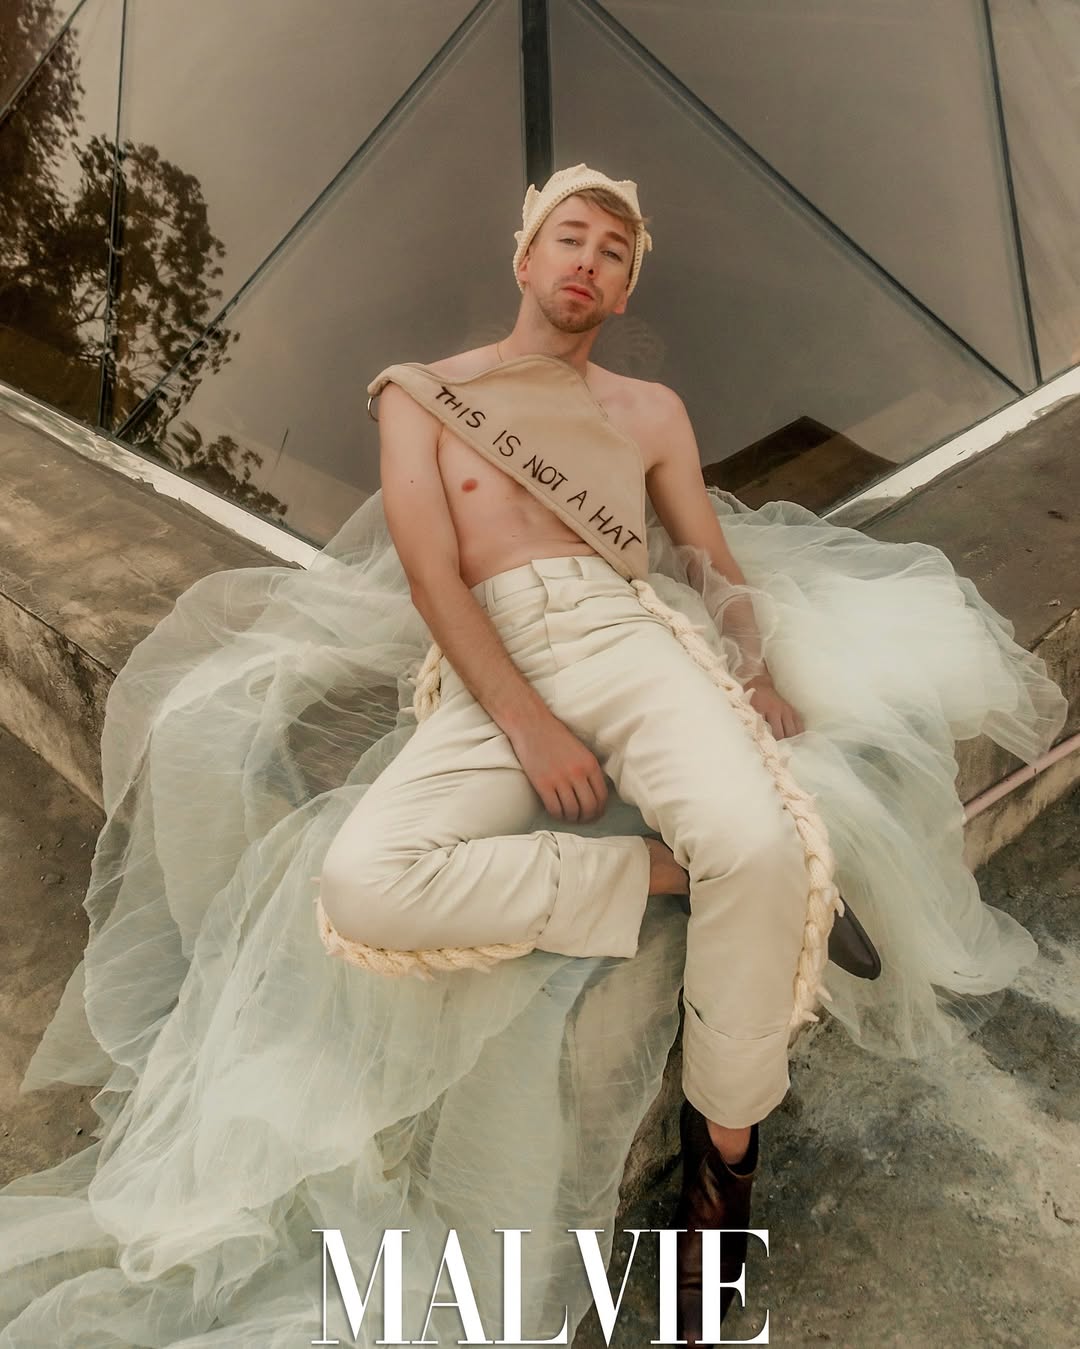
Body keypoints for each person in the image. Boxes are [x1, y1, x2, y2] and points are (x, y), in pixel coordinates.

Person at [0, 164, 1067, 1347]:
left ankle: (725, 1158)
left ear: (623, 287)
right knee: (364, 881)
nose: (589, 262)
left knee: (762, 846)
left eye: (614, 251)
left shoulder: (648, 411)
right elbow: (432, 572)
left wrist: (752, 666)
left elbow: (707, 556)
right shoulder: (423, 393)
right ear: (525, 256)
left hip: (627, 635)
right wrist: (527, 723)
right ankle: (660, 871)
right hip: (489, 661)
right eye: (572, 236)